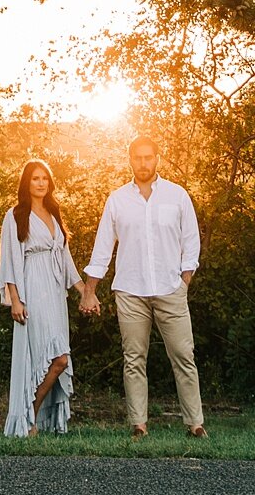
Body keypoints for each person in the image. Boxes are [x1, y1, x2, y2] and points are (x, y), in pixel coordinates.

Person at [77, 135, 205, 438]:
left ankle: (195, 424)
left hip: (170, 289)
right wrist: (90, 289)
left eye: (149, 157)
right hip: (131, 291)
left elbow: (191, 241)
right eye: (138, 158)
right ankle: (139, 425)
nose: (144, 163)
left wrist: (184, 278)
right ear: (130, 160)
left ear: (157, 158)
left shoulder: (177, 195)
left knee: (184, 357)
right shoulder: (118, 199)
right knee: (133, 359)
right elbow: (103, 247)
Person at [0, 157, 79, 437]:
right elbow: (10, 259)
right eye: (35, 178)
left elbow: (65, 258)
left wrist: (85, 290)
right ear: (26, 183)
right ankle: (27, 415)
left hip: (55, 292)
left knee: (60, 358)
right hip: (32, 286)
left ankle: (32, 414)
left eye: (45, 178)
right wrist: (15, 299)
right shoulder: (16, 215)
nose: (41, 183)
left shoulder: (54, 212)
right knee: (57, 358)